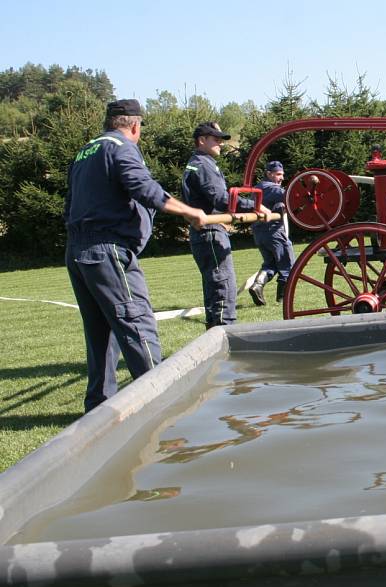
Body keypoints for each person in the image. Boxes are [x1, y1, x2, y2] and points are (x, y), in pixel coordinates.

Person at [64, 99, 207, 412]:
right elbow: (144, 189)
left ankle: (99, 411)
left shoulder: (85, 151)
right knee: (137, 325)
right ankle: (162, 406)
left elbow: (71, 203)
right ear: (135, 126)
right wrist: (189, 211)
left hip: (77, 250)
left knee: (101, 334)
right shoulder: (121, 147)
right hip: (108, 251)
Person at [182, 122, 266, 328]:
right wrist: (256, 206)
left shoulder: (198, 162)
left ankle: (217, 334)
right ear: (202, 140)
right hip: (210, 231)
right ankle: (224, 336)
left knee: (215, 287)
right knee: (222, 286)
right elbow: (221, 199)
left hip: (205, 232)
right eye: (215, 139)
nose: (220, 143)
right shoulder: (204, 165)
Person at [249, 161, 295, 304]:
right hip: (274, 232)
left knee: (271, 264)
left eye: (282, 174)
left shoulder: (258, 188)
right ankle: (283, 299)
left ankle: (257, 285)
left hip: (259, 234)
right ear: (269, 174)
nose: (281, 178)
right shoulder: (271, 188)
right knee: (287, 264)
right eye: (278, 174)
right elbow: (291, 196)